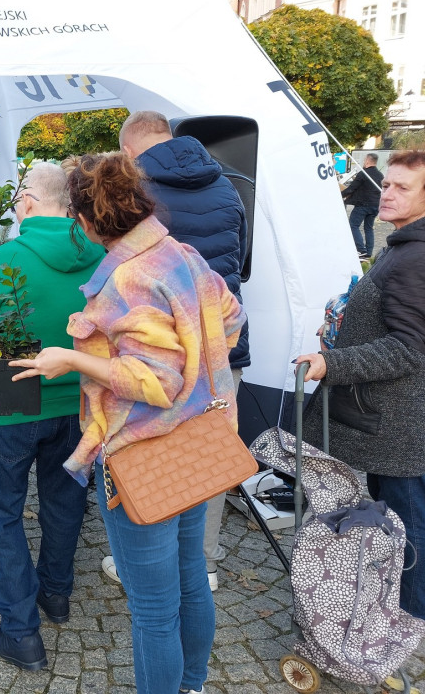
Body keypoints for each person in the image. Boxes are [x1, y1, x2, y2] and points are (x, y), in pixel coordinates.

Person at [11, 153, 245, 694]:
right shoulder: (180, 254)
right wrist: (201, 368)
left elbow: (156, 382)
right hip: (199, 442)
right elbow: (231, 318)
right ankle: (192, 685)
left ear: (88, 222)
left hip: (146, 452)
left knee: (154, 609)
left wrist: (70, 359)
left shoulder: (128, 279)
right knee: (190, 580)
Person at [0, 162, 104, 672]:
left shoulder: (8, 256)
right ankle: (56, 592)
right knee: (65, 498)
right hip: (80, 393)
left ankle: (20, 632)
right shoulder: (100, 254)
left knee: (0, 509)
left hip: (13, 385)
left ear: (27, 201)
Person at [297, 141, 425, 624]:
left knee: (408, 520)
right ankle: (388, 611)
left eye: (403, 187)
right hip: (392, 411)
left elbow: (410, 346)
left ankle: (405, 622)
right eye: (386, 183)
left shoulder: (423, 256)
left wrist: (332, 364)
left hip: (401, 417)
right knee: (399, 514)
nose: (386, 194)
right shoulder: (409, 243)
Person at [117, 110, 249, 592]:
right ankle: (203, 564)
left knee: (153, 446)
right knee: (213, 451)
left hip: (165, 349)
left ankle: (154, 560)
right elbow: (241, 261)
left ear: (130, 150)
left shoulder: (137, 192)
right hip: (221, 345)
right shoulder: (228, 186)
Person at [342, 152, 384, 259]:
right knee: (369, 228)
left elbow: (352, 188)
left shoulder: (363, 174)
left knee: (353, 225)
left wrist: (339, 195)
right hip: (375, 206)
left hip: (362, 205)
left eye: (365, 160)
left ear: (367, 161)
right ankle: (368, 253)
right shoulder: (380, 175)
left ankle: (361, 250)